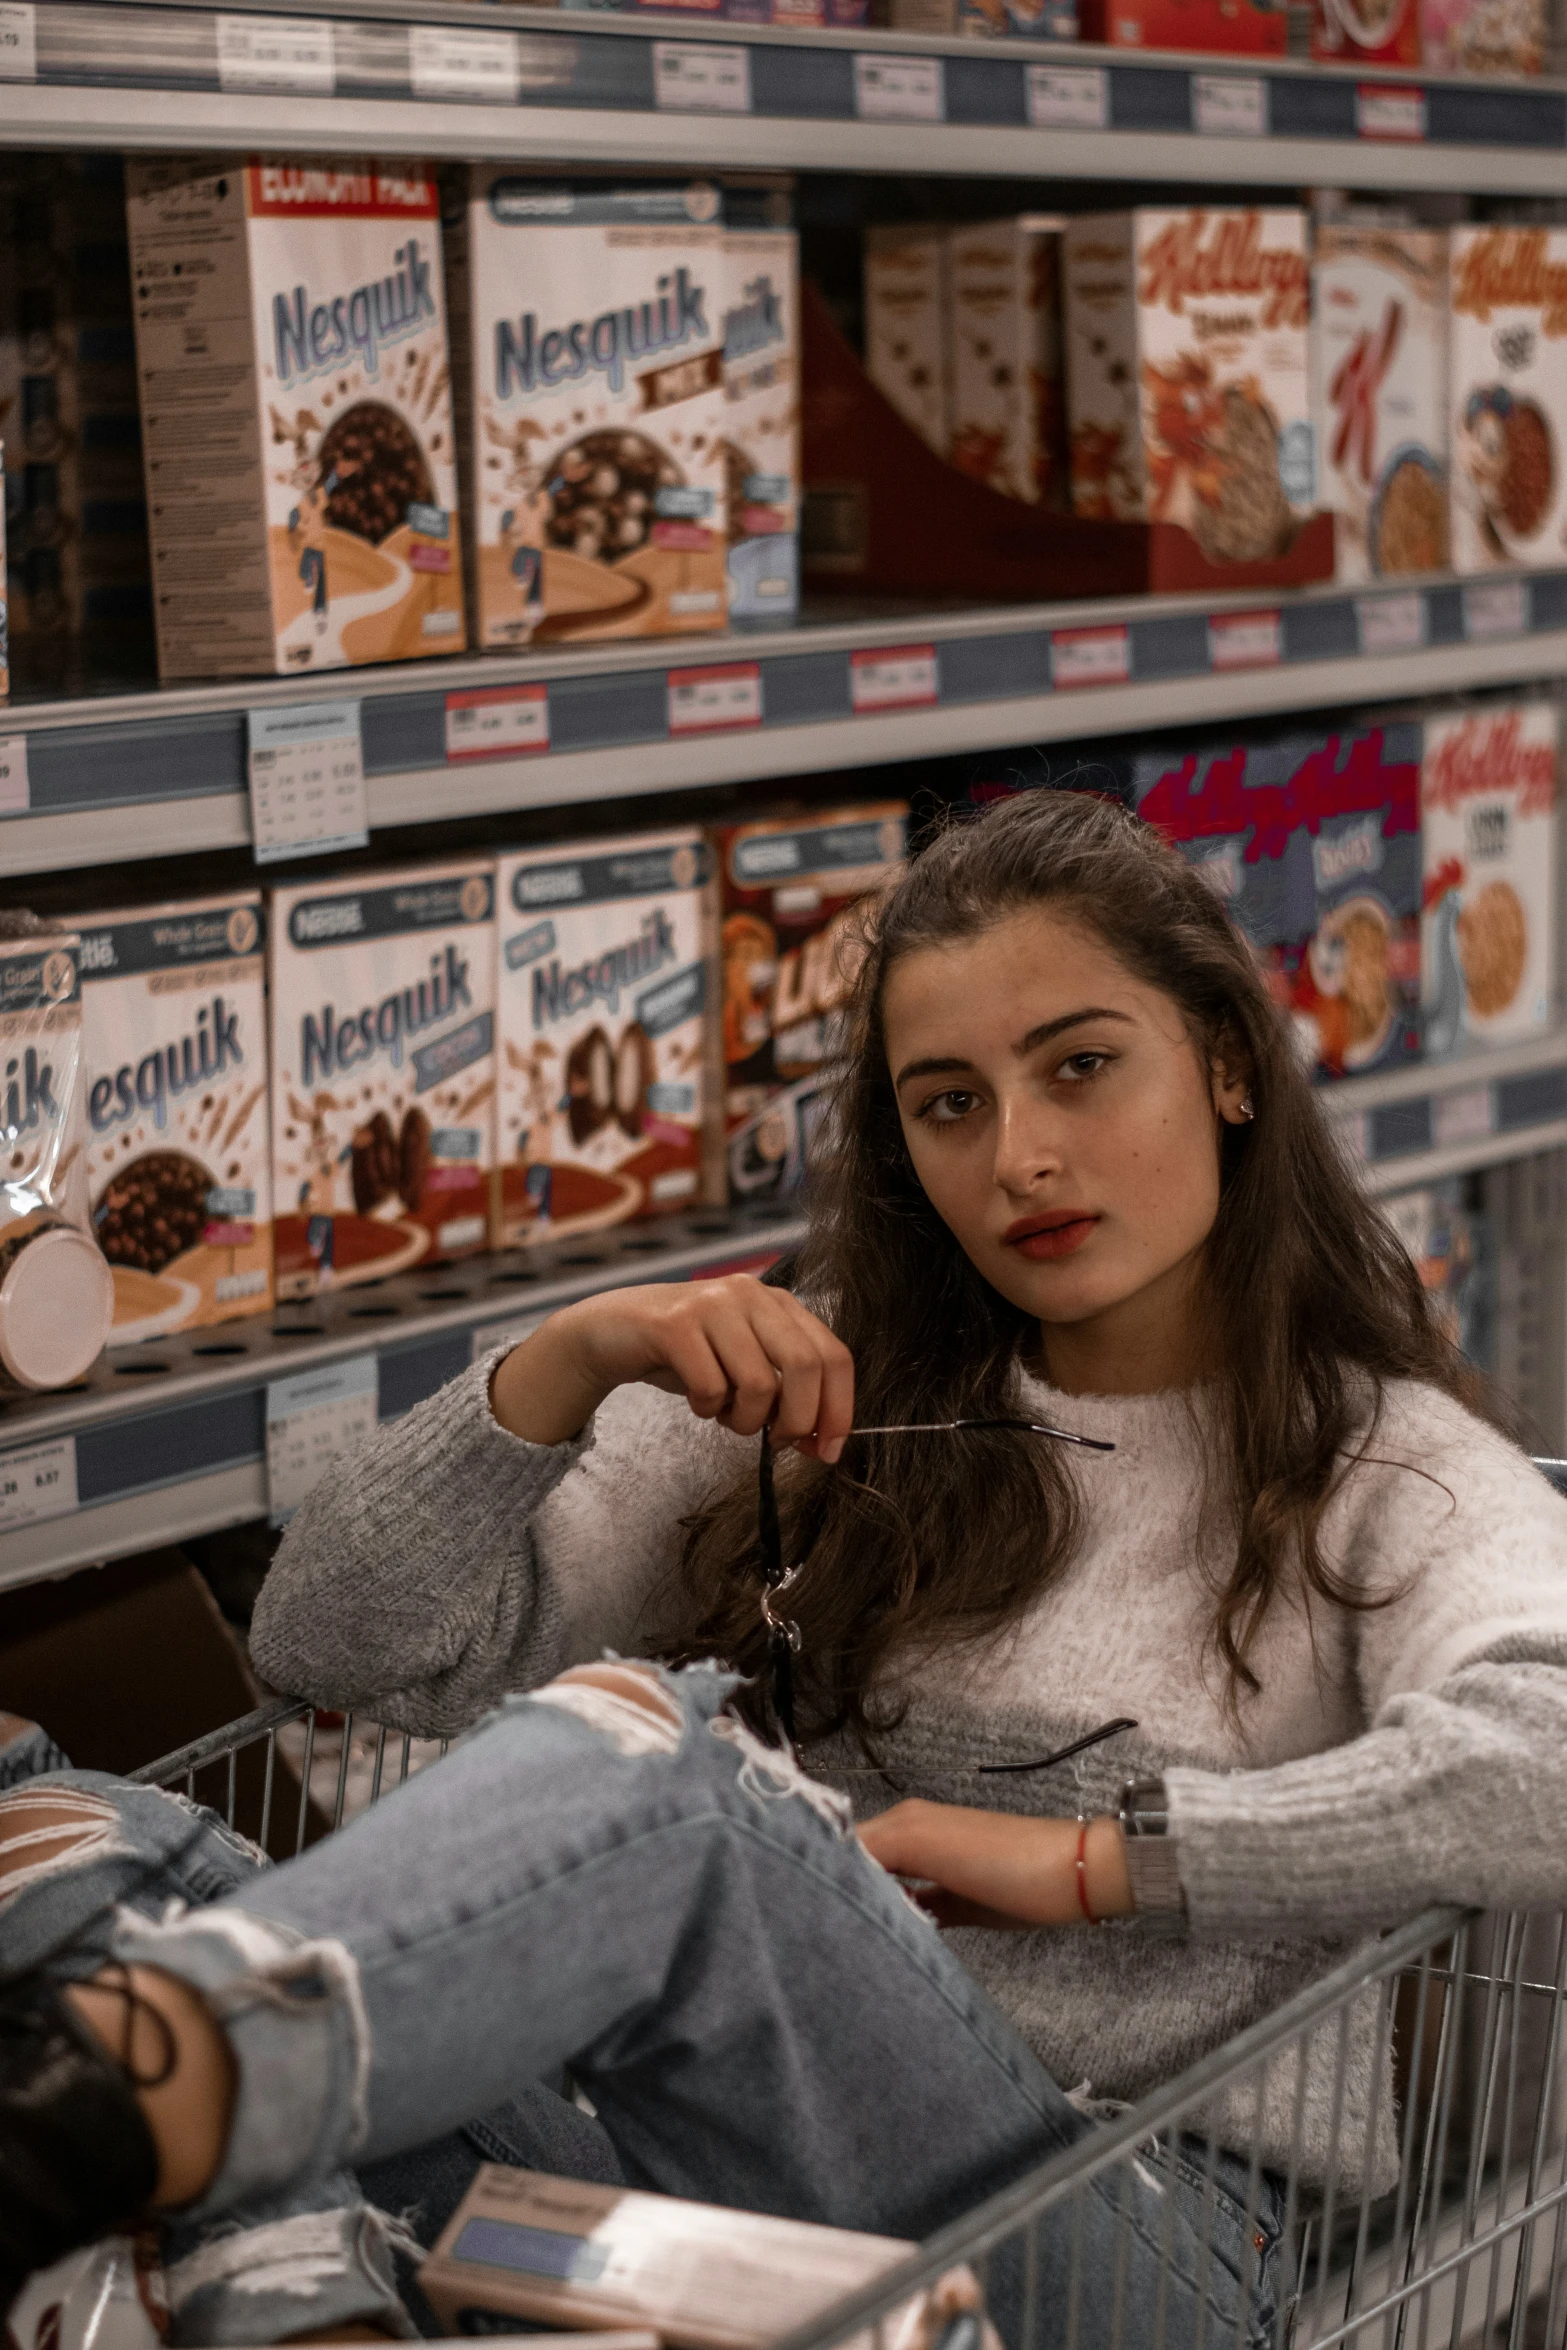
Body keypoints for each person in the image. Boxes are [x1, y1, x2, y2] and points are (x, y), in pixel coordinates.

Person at [6, 788, 1567, 2346]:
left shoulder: (1384, 1471)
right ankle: (288, 2292)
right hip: (709, 2213)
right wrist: (572, 1357)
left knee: (669, 1768)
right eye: (948, 1103)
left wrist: (1104, 1864)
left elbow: (1545, 1757)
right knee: (65, 1830)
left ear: (1224, 1062)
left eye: (1080, 1066)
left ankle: (147, 2158)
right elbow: (331, 1643)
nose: (1019, 1156)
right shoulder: (835, 1387)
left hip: (1121, 2247)